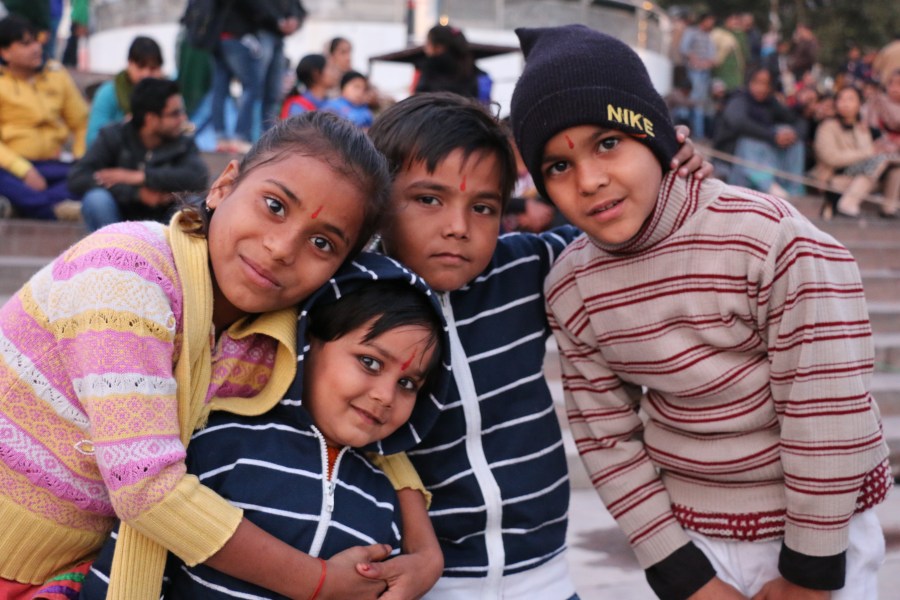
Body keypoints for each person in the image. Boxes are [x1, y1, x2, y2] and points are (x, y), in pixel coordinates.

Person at [510, 24, 891, 600]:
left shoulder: (770, 240)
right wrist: (684, 576)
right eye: (558, 167)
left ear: (658, 137)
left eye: (608, 142)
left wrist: (810, 575)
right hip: (697, 540)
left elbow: (826, 411)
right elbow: (606, 439)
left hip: (827, 531)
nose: (589, 180)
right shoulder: (574, 285)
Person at [0, 112, 440, 600]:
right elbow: (146, 490)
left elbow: (359, 409)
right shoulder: (126, 270)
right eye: (274, 205)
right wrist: (316, 583)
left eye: (322, 243)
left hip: (66, 572)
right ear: (224, 186)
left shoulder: (272, 334)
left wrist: (425, 552)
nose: (280, 248)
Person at [362, 92, 709, 598]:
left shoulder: (527, 269)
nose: (458, 228)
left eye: (483, 207)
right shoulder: (350, 299)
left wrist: (671, 172)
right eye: (428, 199)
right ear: (377, 200)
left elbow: (627, 238)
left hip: (546, 579)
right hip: (426, 583)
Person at [81, 251, 452, 599]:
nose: (386, 396)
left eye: (408, 384)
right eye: (370, 363)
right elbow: (133, 565)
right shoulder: (220, 445)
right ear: (308, 344)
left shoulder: (385, 500)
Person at [68, 78, 209, 232]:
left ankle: (179, 255)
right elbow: (79, 178)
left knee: (193, 205)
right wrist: (137, 194)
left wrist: (141, 177)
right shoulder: (113, 136)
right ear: (151, 120)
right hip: (119, 222)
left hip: (165, 223)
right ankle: (112, 253)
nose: (183, 119)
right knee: (96, 200)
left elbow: (198, 176)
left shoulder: (182, 142)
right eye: (175, 114)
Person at [0, 14, 87, 220]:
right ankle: (53, 209)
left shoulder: (56, 74)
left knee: (87, 178)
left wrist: (79, 157)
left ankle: (22, 205)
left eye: (36, 40)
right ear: (4, 52)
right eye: (25, 44)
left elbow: (81, 122)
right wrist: (24, 171)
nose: (36, 48)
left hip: (53, 165)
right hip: (12, 168)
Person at [714, 66, 807, 197]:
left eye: (765, 84)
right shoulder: (739, 100)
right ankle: (767, 184)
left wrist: (793, 134)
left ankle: (792, 187)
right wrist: (772, 136)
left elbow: (797, 121)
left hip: (765, 160)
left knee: (788, 133)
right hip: (735, 162)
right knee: (749, 140)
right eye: (756, 82)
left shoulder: (771, 103)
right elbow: (739, 123)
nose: (761, 88)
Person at [814, 85, 900, 219]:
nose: (846, 104)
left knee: (895, 167)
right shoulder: (827, 127)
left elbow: (869, 156)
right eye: (842, 99)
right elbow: (832, 158)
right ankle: (848, 204)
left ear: (860, 104)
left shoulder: (862, 128)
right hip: (836, 178)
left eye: (851, 99)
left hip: (862, 178)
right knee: (880, 159)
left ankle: (888, 207)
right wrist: (870, 152)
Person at [85, 35, 163, 147]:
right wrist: (124, 128)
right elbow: (92, 140)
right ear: (129, 64)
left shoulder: (167, 96)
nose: (146, 74)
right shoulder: (109, 94)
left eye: (153, 68)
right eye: (141, 67)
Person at [412, 24, 480, 100]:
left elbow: (417, 100)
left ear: (439, 48)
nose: (425, 48)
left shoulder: (428, 68)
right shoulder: (472, 70)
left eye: (428, 43)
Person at [678, 13, 717, 139]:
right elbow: (684, 49)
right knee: (694, 103)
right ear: (704, 21)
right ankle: (694, 133)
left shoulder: (708, 36)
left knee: (700, 104)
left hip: (704, 73)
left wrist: (706, 63)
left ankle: (697, 133)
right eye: (710, 21)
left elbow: (712, 56)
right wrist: (695, 60)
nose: (711, 24)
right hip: (693, 72)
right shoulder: (692, 32)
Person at [279, 53, 336, 118]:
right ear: (316, 74)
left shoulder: (331, 104)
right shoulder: (297, 106)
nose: (336, 74)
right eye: (331, 69)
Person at [865, 68, 900, 154]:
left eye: (899, 83)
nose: (894, 88)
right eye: (890, 83)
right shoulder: (878, 102)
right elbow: (870, 127)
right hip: (882, 147)